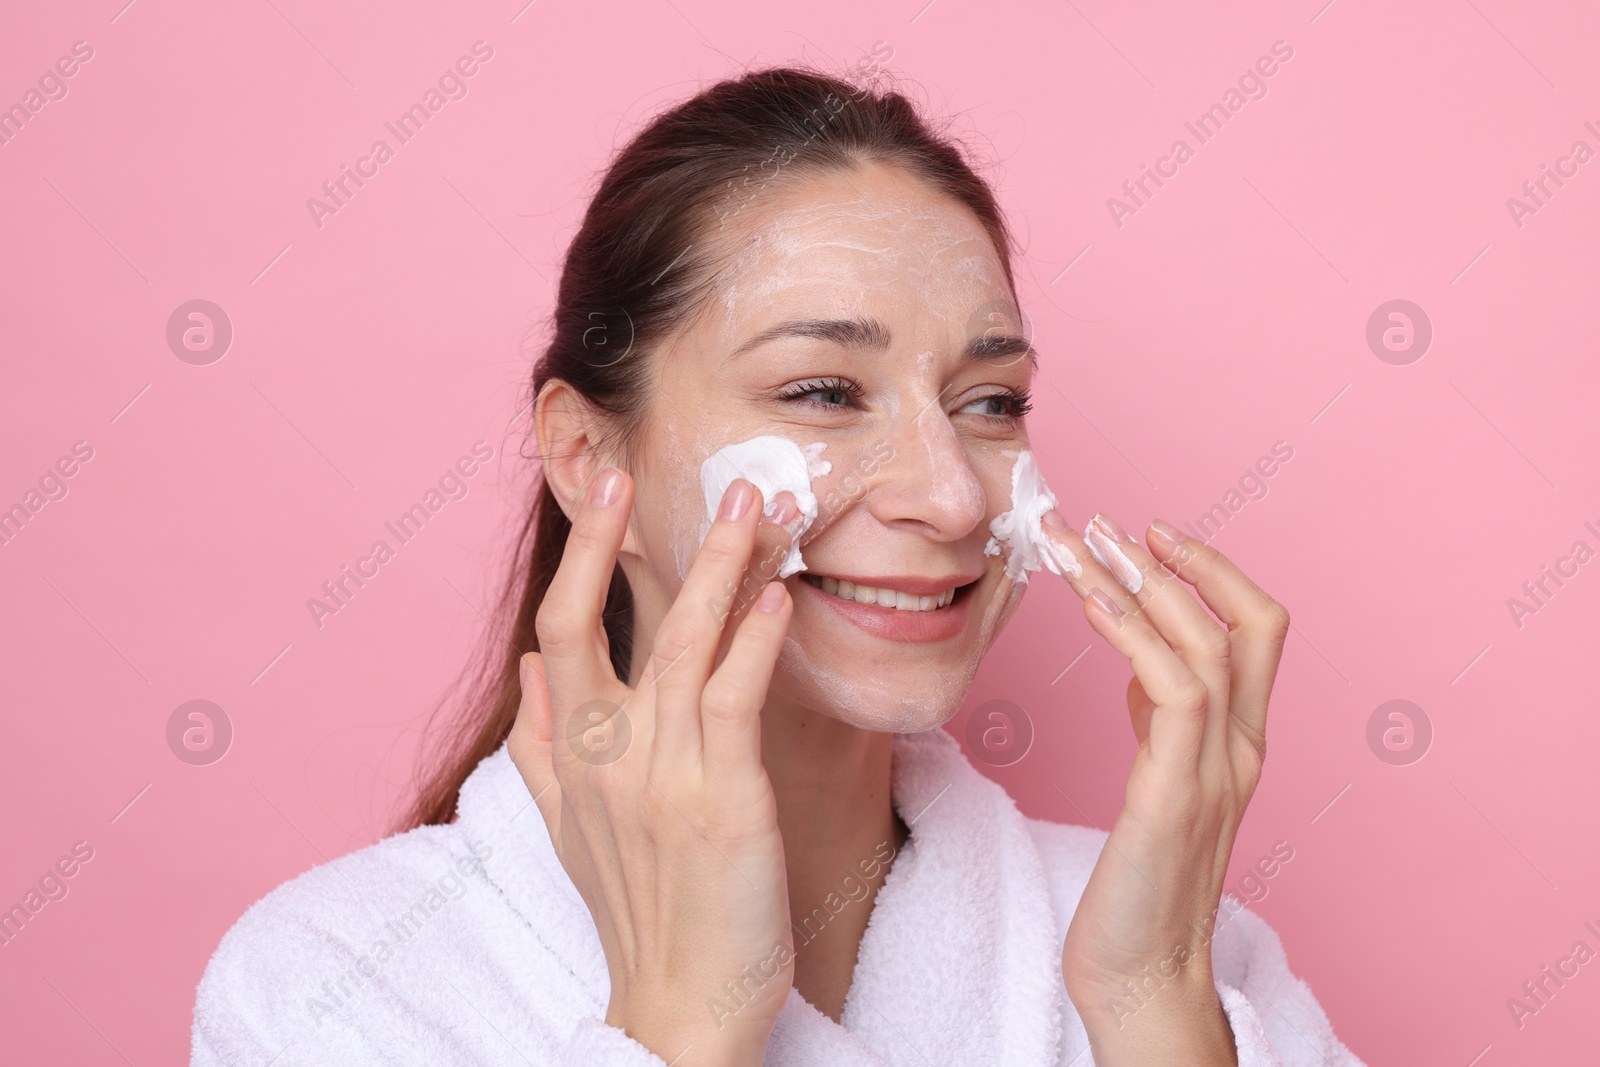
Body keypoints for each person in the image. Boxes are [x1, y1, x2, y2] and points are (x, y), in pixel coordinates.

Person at [191, 65, 1366, 1066]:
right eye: (821, 391)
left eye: (992, 401)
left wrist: (1155, 1002)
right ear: (586, 453)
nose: (952, 494)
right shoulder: (338, 980)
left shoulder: (1176, 952)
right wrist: (681, 1024)